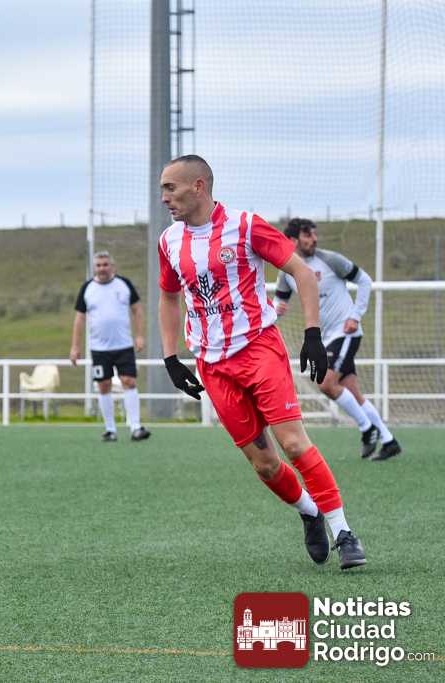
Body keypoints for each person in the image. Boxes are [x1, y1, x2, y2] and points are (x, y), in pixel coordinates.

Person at [157, 154, 366, 570]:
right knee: (266, 465)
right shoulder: (169, 241)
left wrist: (312, 335)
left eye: (170, 187)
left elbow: (302, 273)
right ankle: (309, 511)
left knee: (293, 443)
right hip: (212, 365)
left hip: (258, 349)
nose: (164, 197)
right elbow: (168, 296)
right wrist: (170, 357)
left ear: (198, 186)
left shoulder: (246, 225)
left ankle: (344, 533)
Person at [275, 218, 401, 461]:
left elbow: (364, 280)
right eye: (307, 235)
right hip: (325, 338)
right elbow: (280, 301)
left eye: (314, 234)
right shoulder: (287, 270)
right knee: (352, 392)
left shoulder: (330, 259)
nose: (314, 239)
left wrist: (355, 315)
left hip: (345, 332)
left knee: (326, 383)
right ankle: (389, 441)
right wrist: (273, 311)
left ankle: (367, 429)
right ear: (292, 240)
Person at [69, 251, 151, 442]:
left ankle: (136, 427)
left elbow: (137, 310)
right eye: (98, 265)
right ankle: (110, 429)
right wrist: (75, 346)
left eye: (105, 264)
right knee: (103, 385)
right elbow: (79, 318)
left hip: (123, 345)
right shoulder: (87, 288)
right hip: (99, 348)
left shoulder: (124, 284)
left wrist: (139, 335)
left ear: (112, 266)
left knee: (129, 381)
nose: (102, 268)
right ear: (94, 268)